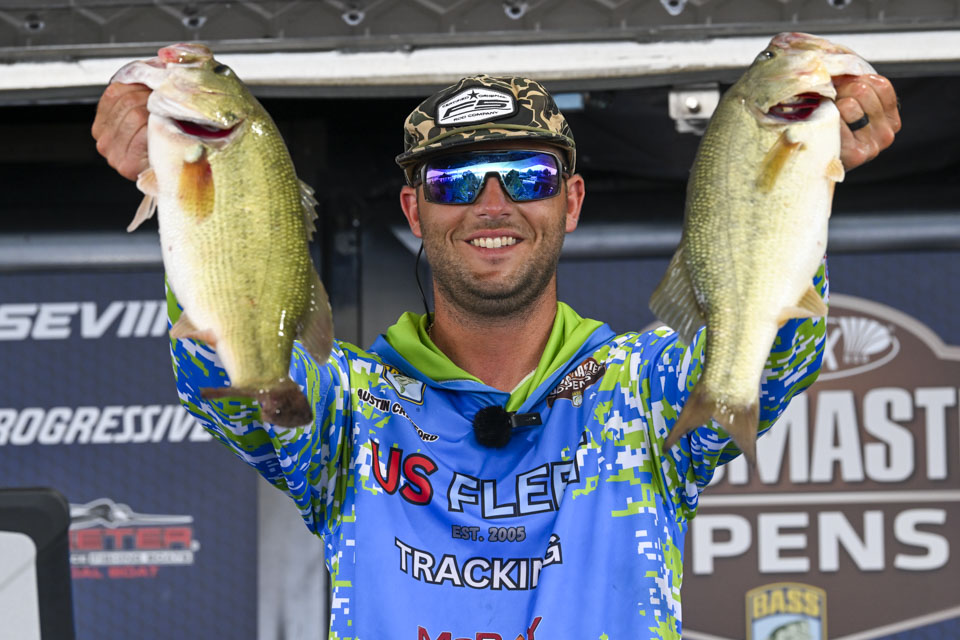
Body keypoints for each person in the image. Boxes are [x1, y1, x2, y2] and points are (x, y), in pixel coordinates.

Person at [92, 62, 899, 638]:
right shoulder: (345, 411)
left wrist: (804, 172)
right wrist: (184, 187)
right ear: (415, 209)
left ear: (570, 201)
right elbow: (226, 375)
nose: (491, 202)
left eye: (526, 175)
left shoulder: (645, 393)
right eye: (453, 180)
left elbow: (774, 352)